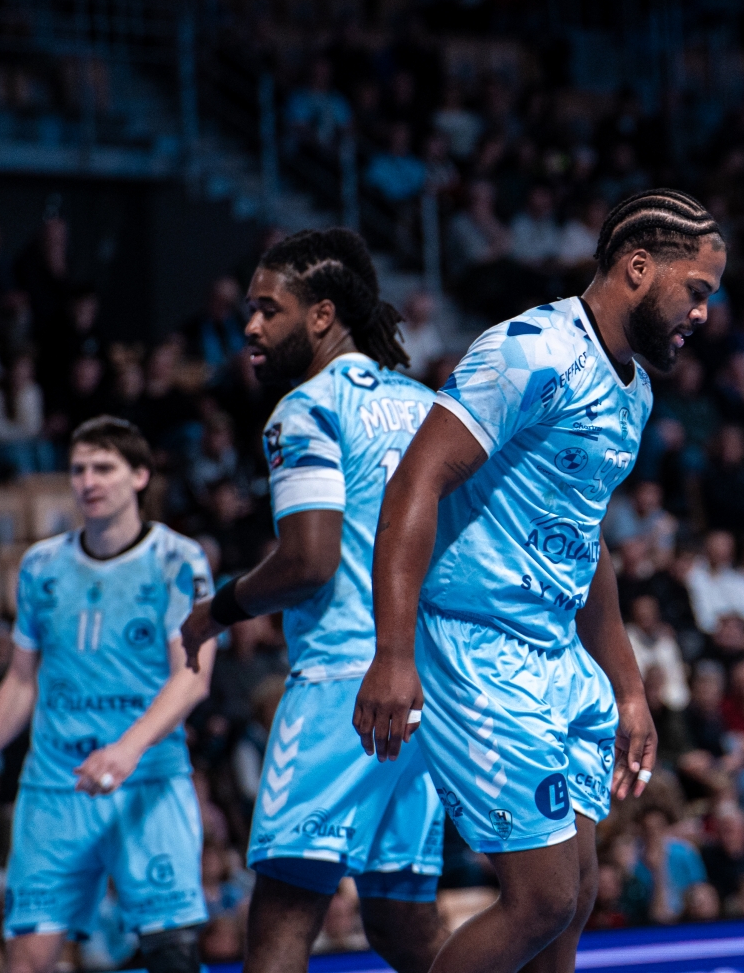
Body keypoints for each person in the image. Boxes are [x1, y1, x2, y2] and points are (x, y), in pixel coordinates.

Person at [356, 189, 726, 973]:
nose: (702, 313)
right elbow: (415, 482)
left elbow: (584, 542)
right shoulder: (530, 351)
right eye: (696, 290)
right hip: (474, 645)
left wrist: (629, 689)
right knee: (543, 897)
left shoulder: (635, 391)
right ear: (637, 268)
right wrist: (392, 652)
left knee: (577, 896)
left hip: (557, 654)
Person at [175, 229, 450, 973]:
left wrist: (216, 611)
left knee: (280, 926)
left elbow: (308, 562)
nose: (251, 327)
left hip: (342, 693)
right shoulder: (429, 407)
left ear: (323, 315)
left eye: (270, 310)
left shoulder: (306, 409)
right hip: (426, 691)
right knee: (401, 922)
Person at [0, 417, 215, 973]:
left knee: (173, 954)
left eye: (104, 468)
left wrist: (127, 750)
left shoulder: (177, 560)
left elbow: (193, 675)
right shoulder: (41, 565)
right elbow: (21, 681)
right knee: (27, 959)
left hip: (148, 780)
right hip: (55, 786)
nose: (89, 481)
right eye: (79, 469)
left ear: (139, 475)